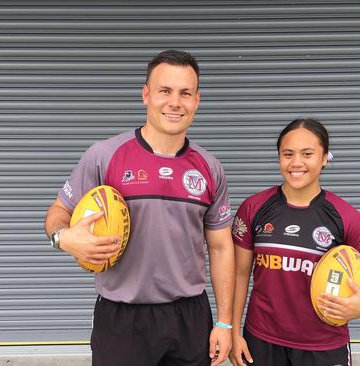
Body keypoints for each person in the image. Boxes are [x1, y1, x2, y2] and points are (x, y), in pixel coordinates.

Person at [44, 50, 235, 366]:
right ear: (146, 95)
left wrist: (225, 323)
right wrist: (64, 239)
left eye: (185, 93)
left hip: (189, 316)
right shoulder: (104, 155)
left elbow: (221, 247)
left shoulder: (209, 167)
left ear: (197, 101)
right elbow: (57, 213)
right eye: (165, 91)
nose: (175, 102)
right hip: (122, 317)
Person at [229, 118, 360, 366]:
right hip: (261, 341)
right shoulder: (254, 208)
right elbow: (239, 275)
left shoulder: (346, 217)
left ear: (325, 157)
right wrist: (234, 330)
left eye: (307, 154)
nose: (296, 163)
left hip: (323, 345)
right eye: (288, 154)